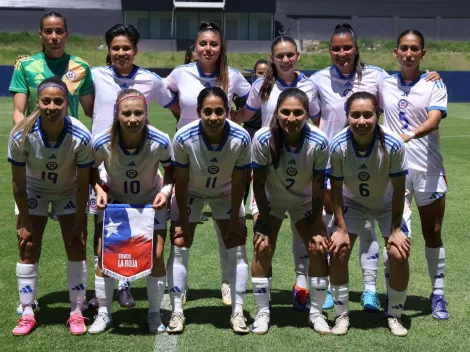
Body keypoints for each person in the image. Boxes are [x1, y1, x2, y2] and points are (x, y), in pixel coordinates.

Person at [309, 23, 438, 311]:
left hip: (374, 162)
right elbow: (310, 117)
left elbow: (402, 87)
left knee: (369, 229)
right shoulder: (316, 80)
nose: (342, 53)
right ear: (329, 51)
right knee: (336, 228)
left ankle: (369, 291)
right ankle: (333, 289)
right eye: (336, 48)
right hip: (336, 163)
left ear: (356, 49)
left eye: (347, 47)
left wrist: (430, 77)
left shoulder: (377, 77)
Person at [88, 24, 179, 310]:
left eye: (126, 48)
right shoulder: (94, 75)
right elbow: (84, 104)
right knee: (102, 228)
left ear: (135, 50)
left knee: (139, 229)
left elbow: (177, 107)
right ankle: (109, 285)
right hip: (103, 160)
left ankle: (126, 284)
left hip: (140, 159)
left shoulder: (151, 80)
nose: (121, 53)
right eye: (115, 48)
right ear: (109, 51)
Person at [9, 11, 94, 314]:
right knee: (29, 240)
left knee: (76, 239)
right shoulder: (25, 65)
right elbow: (19, 110)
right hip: (36, 150)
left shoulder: (81, 67)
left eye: (59, 31)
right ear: (41, 34)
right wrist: (26, 138)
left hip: (69, 151)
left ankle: (78, 305)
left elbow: (90, 110)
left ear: (67, 33)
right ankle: (27, 303)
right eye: (48, 31)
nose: (54, 36)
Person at [165, 22, 251, 305]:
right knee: (180, 230)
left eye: (214, 44)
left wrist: (237, 119)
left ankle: (227, 284)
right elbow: (166, 98)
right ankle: (179, 288)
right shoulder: (180, 73)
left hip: (223, 159)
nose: (208, 49)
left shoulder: (233, 77)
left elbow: (252, 103)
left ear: (221, 47)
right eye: (203, 43)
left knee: (228, 232)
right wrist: (183, 120)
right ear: (195, 47)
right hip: (188, 158)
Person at [232, 35, 319, 312]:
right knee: (263, 235)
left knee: (302, 234)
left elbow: (314, 124)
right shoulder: (261, 85)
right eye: (280, 55)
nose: (285, 59)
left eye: (290, 54)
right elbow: (247, 114)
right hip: (267, 164)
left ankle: (302, 286)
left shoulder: (310, 85)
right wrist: (223, 117)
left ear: (298, 56)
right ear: (272, 58)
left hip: (300, 167)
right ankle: (264, 294)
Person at [88, 89, 173, 334]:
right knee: (105, 257)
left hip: (149, 203)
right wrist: (98, 188)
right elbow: (90, 170)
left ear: (146, 114)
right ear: (117, 114)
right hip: (116, 204)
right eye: (126, 113)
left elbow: (172, 172)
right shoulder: (102, 141)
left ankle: (154, 314)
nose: (133, 119)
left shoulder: (160, 140)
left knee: (156, 256)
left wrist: (165, 192)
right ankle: (104, 314)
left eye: (138, 113)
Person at [167, 87, 251, 334]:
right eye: (208, 112)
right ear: (198, 112)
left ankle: (238, 311)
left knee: (236, 246)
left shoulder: (241, 137)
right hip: (191, 191)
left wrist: (236, 217)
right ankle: (176, 311)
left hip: (226, 191)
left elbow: (240, 181)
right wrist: (182, 219)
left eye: (219, 111)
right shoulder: (183, 137)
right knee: (180, 245)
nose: (214, 117)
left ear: (227, 111)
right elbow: (180, 182)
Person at [379, 29, 449, 320]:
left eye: (414, 48)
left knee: (432, 233)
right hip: (395, 173)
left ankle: (438, 295)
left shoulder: (435, 83)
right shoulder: (383, 84)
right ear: (395, 52)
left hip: (429, 171)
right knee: (394, 236)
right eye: (404, 48)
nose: (409, 53)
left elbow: (434, 121)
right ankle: (391, 295)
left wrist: (408, 136)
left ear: (423, 53)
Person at [328, 91, 410, 336]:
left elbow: (398, 191)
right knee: (339, 250)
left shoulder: (393, 143)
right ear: (347, 116)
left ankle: (394, 315)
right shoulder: (338, 145)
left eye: (367, 115)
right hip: (354, 203)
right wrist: (341, 230)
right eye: (355, 115)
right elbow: (336, 190)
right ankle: (342, 315)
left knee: (398, 253)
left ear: (377, 115)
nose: (361, 121)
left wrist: (395, 231)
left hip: (387, 204)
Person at [250, 88, 329, 335]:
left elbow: (318, 189)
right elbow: (259, 183)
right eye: (285, 112)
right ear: (277, 113)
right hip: (271, 199)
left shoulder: (319, 141)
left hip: (304, 201)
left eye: (298, 113)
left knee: (318, 248)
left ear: (307, 114)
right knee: (263, 246)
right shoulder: (263, 139)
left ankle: (315, 313)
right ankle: (263, 312)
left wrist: (316, 226)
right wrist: (262, 220)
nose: (291, 118)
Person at [241, 59, 268, 204]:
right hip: (249, 133)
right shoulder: (249, 92)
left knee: (264, 173)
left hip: (266, 135)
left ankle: (265, 203)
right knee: (245, 173)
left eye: (266, 73)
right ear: (254, 74)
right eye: (260, 73)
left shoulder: (275, 92)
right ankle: (240, 205)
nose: (263, 76)